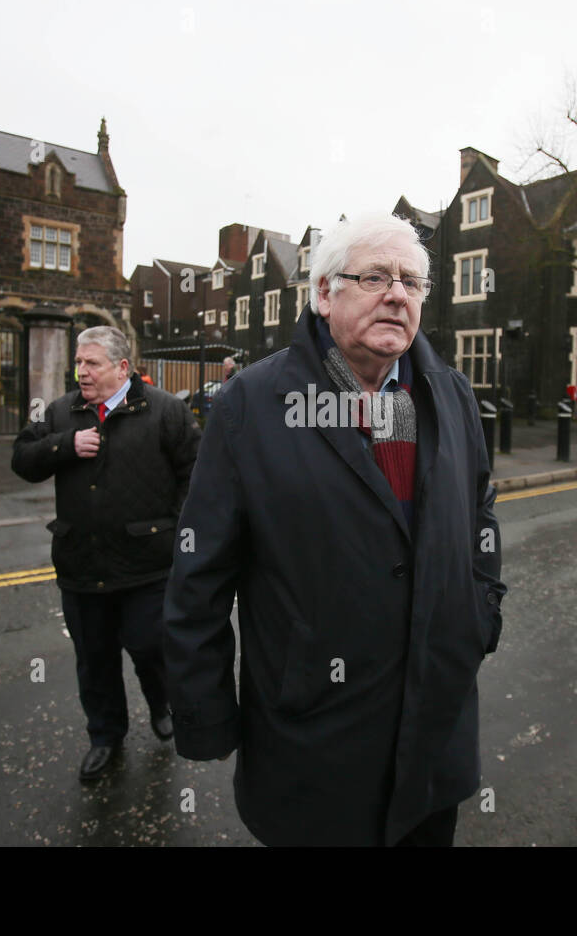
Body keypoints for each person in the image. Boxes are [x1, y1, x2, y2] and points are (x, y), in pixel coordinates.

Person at [163, 213, 506, 846]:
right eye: (374, 276)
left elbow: (479, 512)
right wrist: (206, 714)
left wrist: (481, 614)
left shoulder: (451, 395)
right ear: (324, 294)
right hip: (313, 737)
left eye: (411, 281)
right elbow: (200, 572)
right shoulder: (252, 402)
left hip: (435, 728)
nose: (397, 294)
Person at [12, 326, 202, 781]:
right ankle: (105, 737)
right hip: (82, 565)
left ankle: (161, 705)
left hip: (146, 567)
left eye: (91, 363)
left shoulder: (166, 412)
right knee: (93, 661)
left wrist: (174, 531)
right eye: (78, 363)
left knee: (148, 647)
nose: (82, 372)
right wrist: (64, 445)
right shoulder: (62, 412)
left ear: (122, 367)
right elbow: (22, 459)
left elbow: (196, 475)